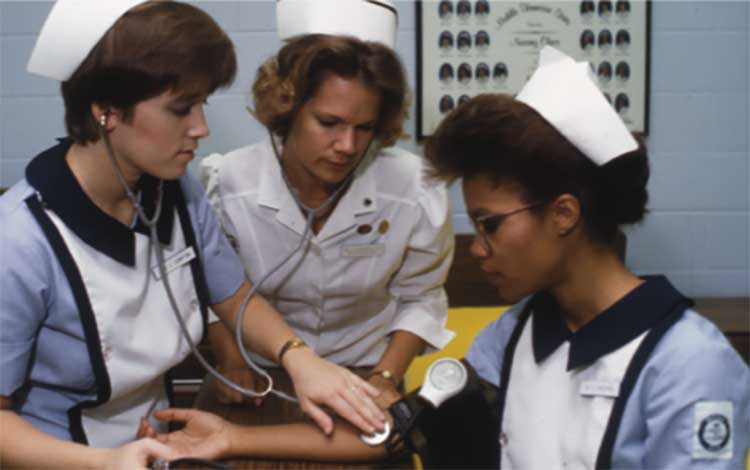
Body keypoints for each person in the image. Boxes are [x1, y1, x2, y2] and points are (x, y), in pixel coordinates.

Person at [0, 1, 387, 468]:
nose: (201, 128)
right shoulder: (19, 241)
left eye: (202, 104)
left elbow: (233, 295)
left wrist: (298, 358)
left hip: (161, 447)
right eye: (181, 109)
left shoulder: (175, 191)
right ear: (105, 110)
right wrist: (103, 463)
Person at [423, 46, 749, 469]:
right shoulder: (514, 331)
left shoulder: (690, 363)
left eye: (491, 224)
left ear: (563, 213)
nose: (478, 247)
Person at [199, 0, 455, 418]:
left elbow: (421, 297)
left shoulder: (414, 188)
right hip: (260, 374)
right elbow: (210, 291)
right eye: (329, 122)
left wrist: (385, 379)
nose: (348, 147)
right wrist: (232, 360)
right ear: (288, 108)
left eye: (364, 128)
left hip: (367, 373)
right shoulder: (229, 182)